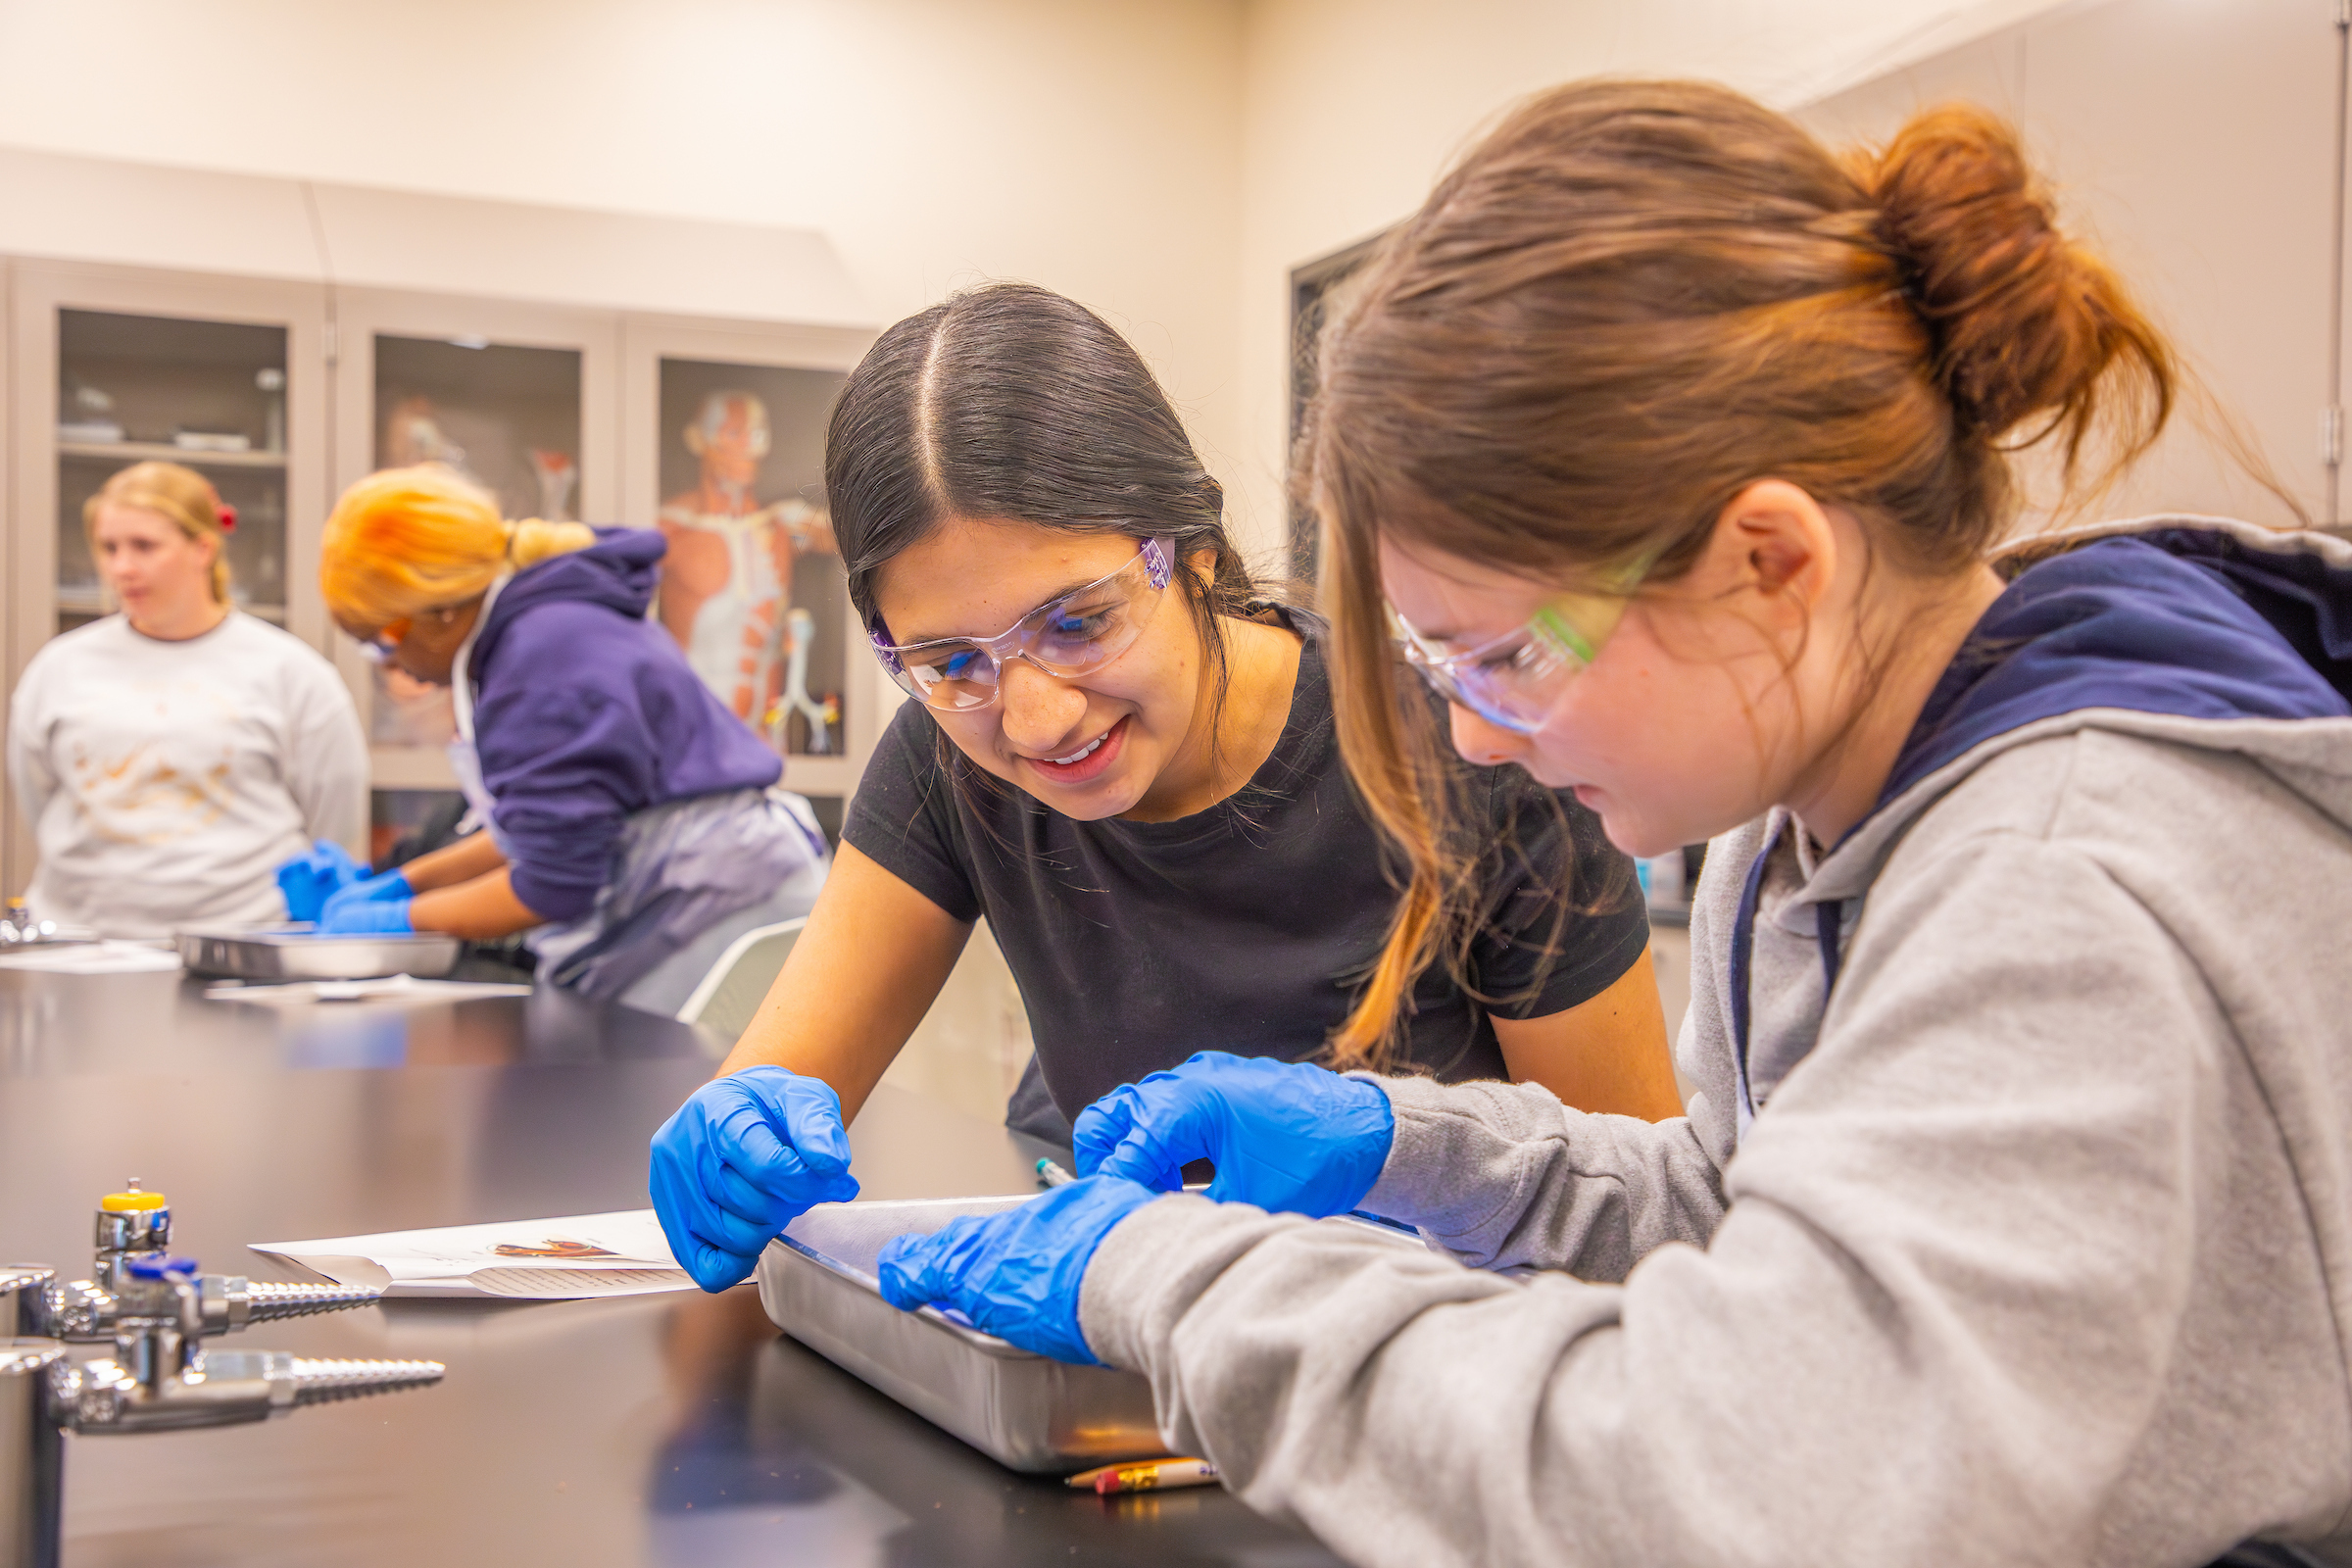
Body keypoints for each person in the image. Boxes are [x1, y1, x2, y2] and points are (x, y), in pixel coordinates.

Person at [870, 85, 2352, 1568]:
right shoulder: (1819, 824)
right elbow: (1742, 1209)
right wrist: (1404, 1148)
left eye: (1507, 658)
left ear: (1771, 560)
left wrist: (1169, 1273)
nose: (1463, 734)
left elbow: (1735, 1485)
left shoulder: (2064, 887)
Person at [647, 282, 1678, 1292]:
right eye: (951, 661)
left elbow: (1636, 1230)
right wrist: (737, 1141)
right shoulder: (943, 759)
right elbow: (776, 1087)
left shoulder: (1473, 749)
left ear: (1193, 558)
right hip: (1116, 1342)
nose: (1035, 716)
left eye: (1078, 621)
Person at [309, 465, 829, 1013]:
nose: (395, 668)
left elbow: (553, 883)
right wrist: (404, 883)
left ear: (437, 608)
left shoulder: (540, 660)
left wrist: (399, 920)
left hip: (719, 912)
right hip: (703, 896)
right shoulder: (545, 628)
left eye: (380, 641)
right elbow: (545, 825)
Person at [8, 461, 365, 936]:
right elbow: (39, 797)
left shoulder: (291, 672)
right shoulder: (59, 667)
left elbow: (333, 818)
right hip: (82, 939)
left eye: (145, 547)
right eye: (108, 548)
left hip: (242, 940)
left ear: (204, 547)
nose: (122, 567)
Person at [657, 390, 839, 734]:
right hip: (691, 742)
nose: (748, 448)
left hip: (765, 744)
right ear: (699, 440)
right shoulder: (671, 531)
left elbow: (866, 539)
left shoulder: (781, 528)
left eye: (756, 435)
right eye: (733, 434)